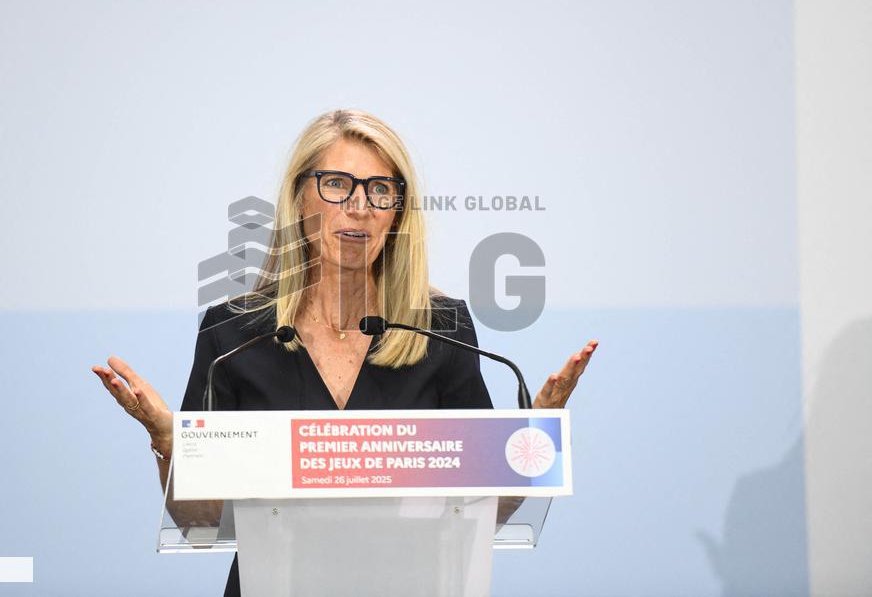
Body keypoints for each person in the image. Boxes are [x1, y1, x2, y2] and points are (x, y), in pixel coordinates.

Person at [90, 109, 598, 595]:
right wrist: (168, 444)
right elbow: (198, 521)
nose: (359, 206)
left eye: (380, 190)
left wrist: (532, 441)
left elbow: (490, 510)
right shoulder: (233, 334)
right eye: (337, 184)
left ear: (397, 213)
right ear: (299, 199)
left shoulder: (442, 328)